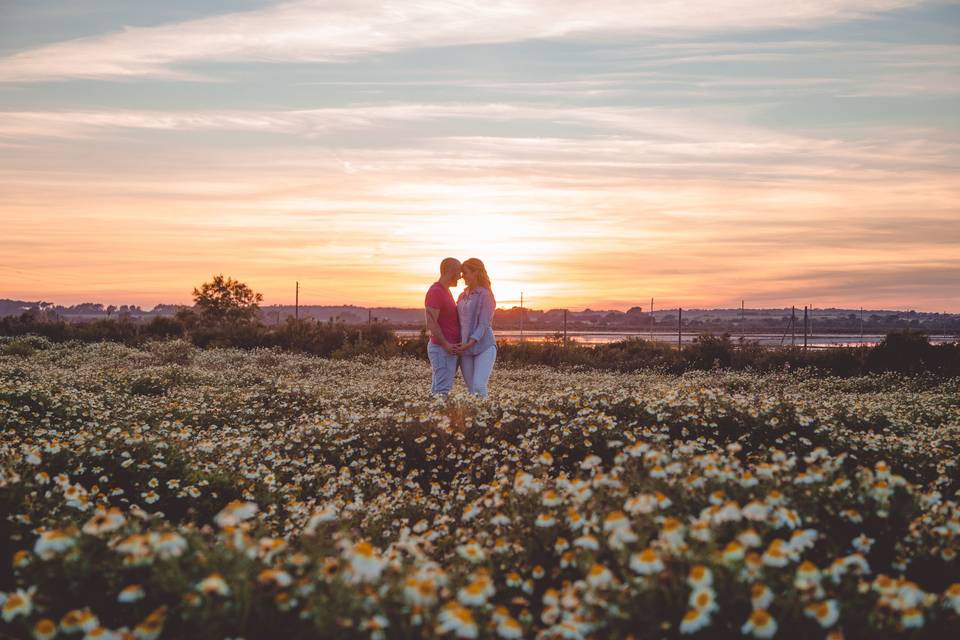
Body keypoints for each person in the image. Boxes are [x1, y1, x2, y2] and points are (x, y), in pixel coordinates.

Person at [455, 258, 497, 397]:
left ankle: (485, 417)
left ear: (476, 272)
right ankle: (475, 418)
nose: (462, 277)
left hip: (484, 346)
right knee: (472, 389)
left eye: (465, 273)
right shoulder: (462, 295)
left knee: (479, 386)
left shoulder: (486, 295)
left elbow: (484, 324)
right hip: (465, 349)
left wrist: (469, 343)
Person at [424, 257, 462, 397]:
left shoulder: (446, 291)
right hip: (442, 349)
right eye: (459, 272)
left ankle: (435, 416)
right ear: (450, 271)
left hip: (445, 348)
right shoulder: (436, 291)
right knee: (442, 391)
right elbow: (431, 322)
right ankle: (439, 418)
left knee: (438, 390)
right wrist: (446, 344)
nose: (460, 276)